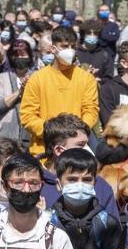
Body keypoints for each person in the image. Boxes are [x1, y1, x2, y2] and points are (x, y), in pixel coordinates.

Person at [20, 26, 100, 154]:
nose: (70, 51)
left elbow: (91, 111)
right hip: (44, 150)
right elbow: (27, 116)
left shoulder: (86, 79)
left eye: (73, 47)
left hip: (77, 149)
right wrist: (55, 133)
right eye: (64, 46)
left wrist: (74, 135)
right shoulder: (37, 79)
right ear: (53, 49)